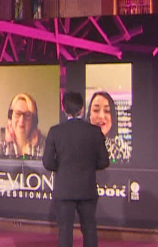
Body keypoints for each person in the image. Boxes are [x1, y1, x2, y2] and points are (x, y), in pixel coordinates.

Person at [43, 92, 110, 247]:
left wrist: (62, 167)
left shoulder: (55, 132)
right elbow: (104, 161)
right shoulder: (94, 132)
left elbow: (47, 163)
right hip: (87, 189)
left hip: (64, 190)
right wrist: (88, 166)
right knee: (90, 229)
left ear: (64, 109)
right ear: (82, 108)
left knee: (65, 230)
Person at [0, 92, 45, 158]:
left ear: (33, 122)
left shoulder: (42, 142)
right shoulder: (1, 140)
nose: (22, 120)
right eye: (17, 114)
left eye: (27, 115)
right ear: (10, 117)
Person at [87, 91, 132, 163]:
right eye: (96, 110)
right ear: (89, 115)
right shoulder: (79, 145)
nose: (101, 116)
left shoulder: (122, 149)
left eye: (107, 111)